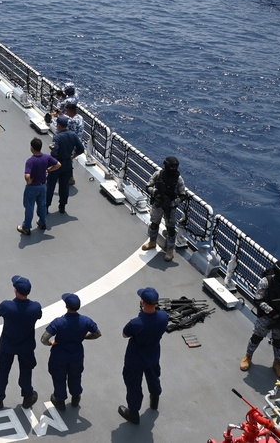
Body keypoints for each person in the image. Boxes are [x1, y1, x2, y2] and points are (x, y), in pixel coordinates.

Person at [240, 259, 280, 378]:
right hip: (266, 316)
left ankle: (277, 362)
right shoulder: (266, 282)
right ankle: (248, 356)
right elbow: (258, 299)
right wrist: (271, 311)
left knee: (279, 342)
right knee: (257, 337)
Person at [0, 275, 42, 410]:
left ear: (16, 291)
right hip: (26, 346)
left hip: (8, 346)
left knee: (3, 372)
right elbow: (39, 315)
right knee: (26, 372)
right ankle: (27, 397)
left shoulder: (7, 306)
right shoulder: (35, 307)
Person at [41, 293, 101, 410]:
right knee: (75, 376)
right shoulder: (86, 321)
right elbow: (97, 333)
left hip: (59, 355)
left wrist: (50, 343)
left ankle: (60, 400)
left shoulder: (58, 322)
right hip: (76, 355)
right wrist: (84, 337)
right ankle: (75, 397)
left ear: (66, 307)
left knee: (59, 377)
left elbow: (44, 339)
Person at [118, 287, 169, 425]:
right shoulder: (164, 316)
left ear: (142, 302)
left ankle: (133, 413)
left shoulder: (135, 323)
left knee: (134, 385)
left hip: (135, 359)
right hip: (152, 355)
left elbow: (124, 334)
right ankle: (154, 400)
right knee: (153, 377)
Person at [141, 156, 187, 261]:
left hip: (170, 207)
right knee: (154, 223)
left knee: (170, 229)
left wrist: (173, 203)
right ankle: (152, 242)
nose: (173, 170)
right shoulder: (158, 174)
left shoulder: (178, 179)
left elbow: (183, 195)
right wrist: (155, 193)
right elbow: (148, 186)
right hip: (158, 204)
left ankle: (170, 250)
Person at [19, 138, 61, 235]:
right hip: (43, 186)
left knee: (29, 207)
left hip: (32, 187)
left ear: (32, 148)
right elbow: (58, 164)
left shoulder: (30, 161)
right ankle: (42, 222)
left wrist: (29, 182)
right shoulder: (46, 157)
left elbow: (27, 176)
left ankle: (26, 227)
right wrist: (48, 170)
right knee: (42, 205)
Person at [46, 115, 78, 214]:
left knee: (50, 186)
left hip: (57, 164)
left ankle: (46, 207)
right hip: (68, 164)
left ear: (59, 125)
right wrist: (72, 156)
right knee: (64, 186)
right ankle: (62, 206)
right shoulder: (73, 135)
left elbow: (54, 152)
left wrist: (52, 164)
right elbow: (80, 148)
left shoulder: (58, 137)